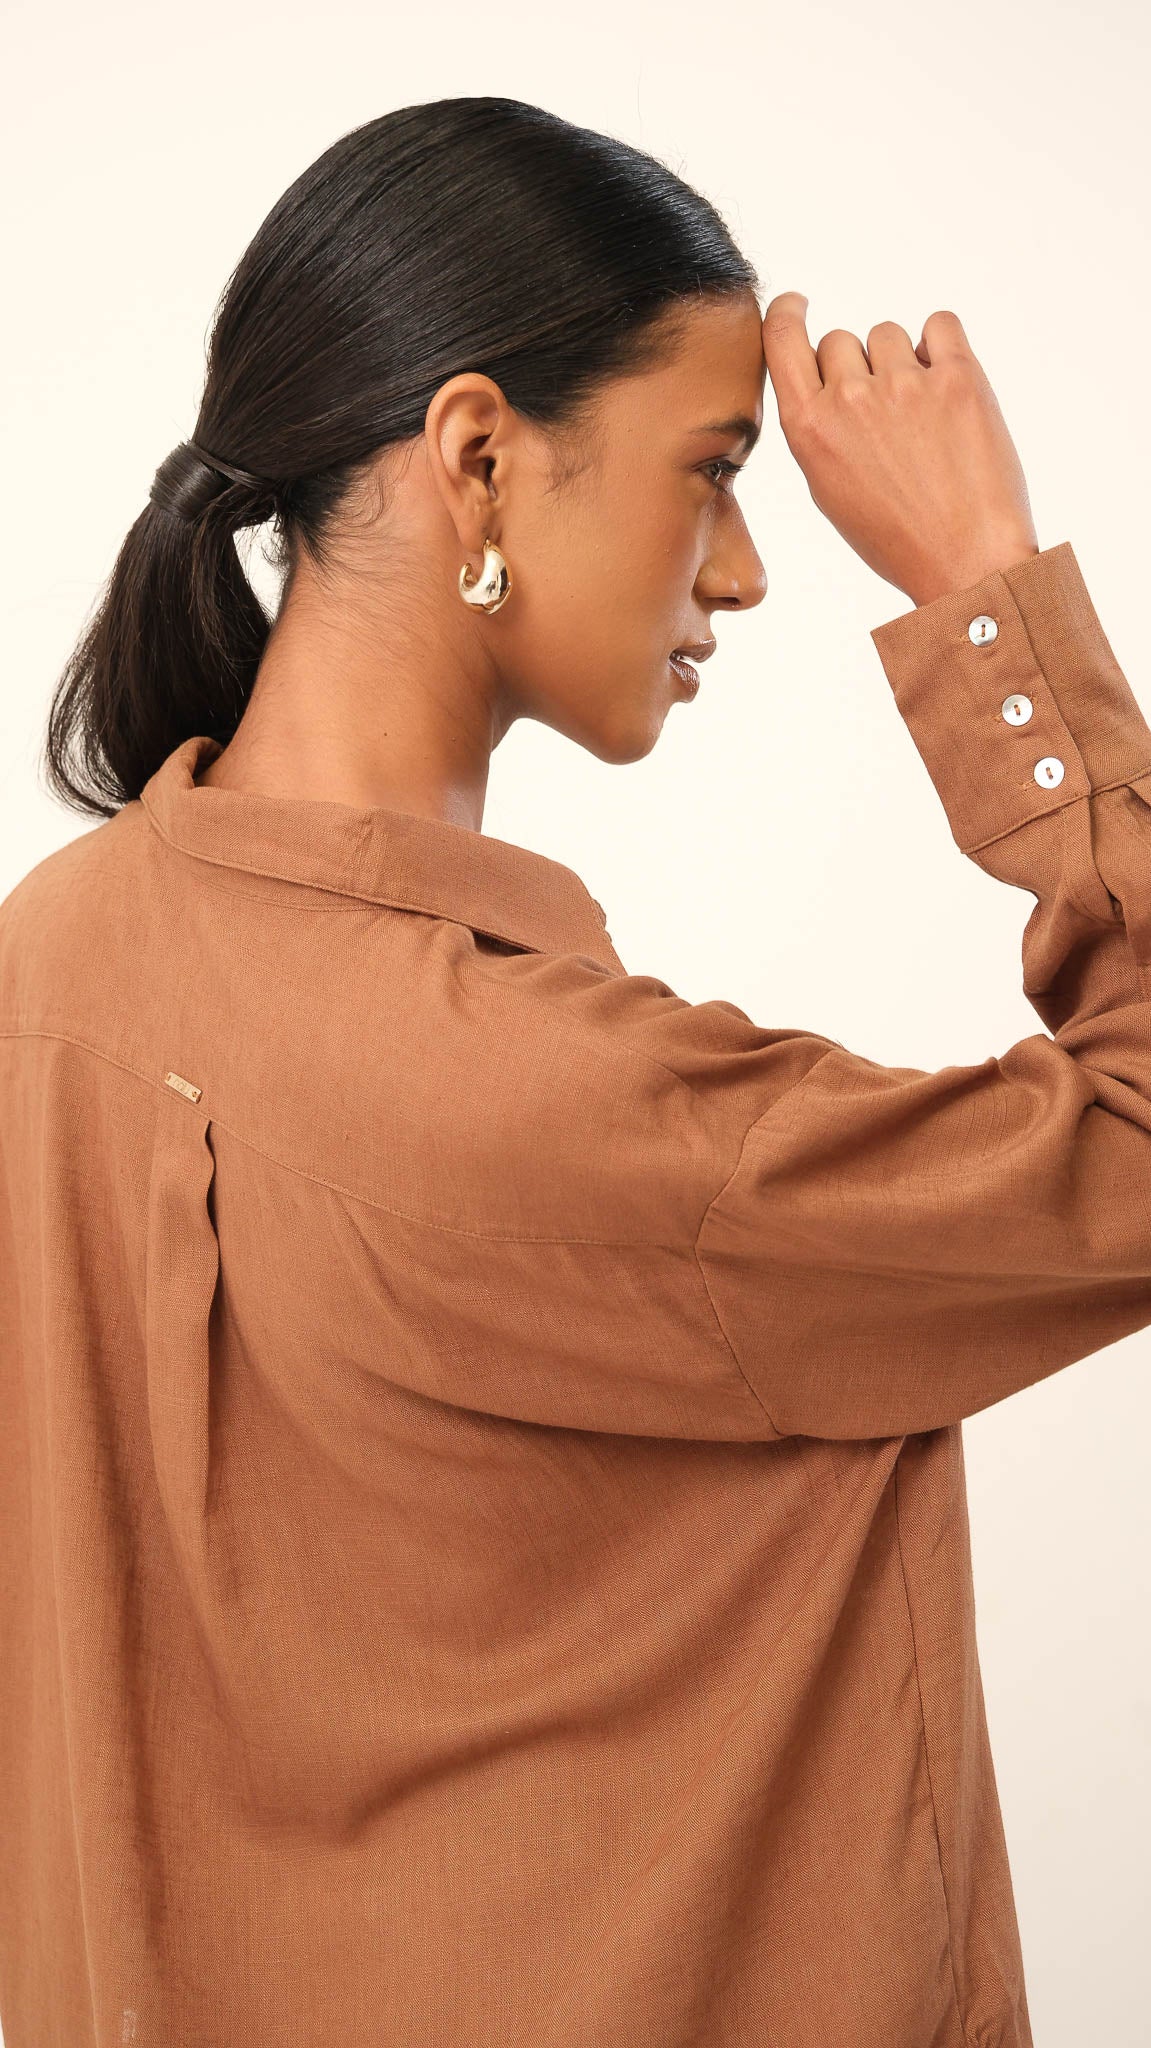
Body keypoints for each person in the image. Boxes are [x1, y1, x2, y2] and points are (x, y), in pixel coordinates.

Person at [1, 93, 1148, 2048]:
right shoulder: (558, 1109)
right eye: (715, 470)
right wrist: (984, 591)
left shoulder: (50, 959)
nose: (748, 571)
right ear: (478, 456)